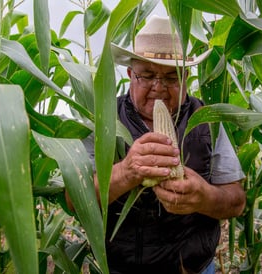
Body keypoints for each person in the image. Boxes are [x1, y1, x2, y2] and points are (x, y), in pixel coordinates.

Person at [70, 15, 246, 274]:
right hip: (119, 267)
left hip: (192, 267)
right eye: (148, 75)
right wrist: (127, 171)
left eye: (171, 78)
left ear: (186, 77)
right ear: (131, 74)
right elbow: (75, 200)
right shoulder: (102, 119)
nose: (159, 87)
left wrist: (203, 197)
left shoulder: (206, 121)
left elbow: (236, 201)